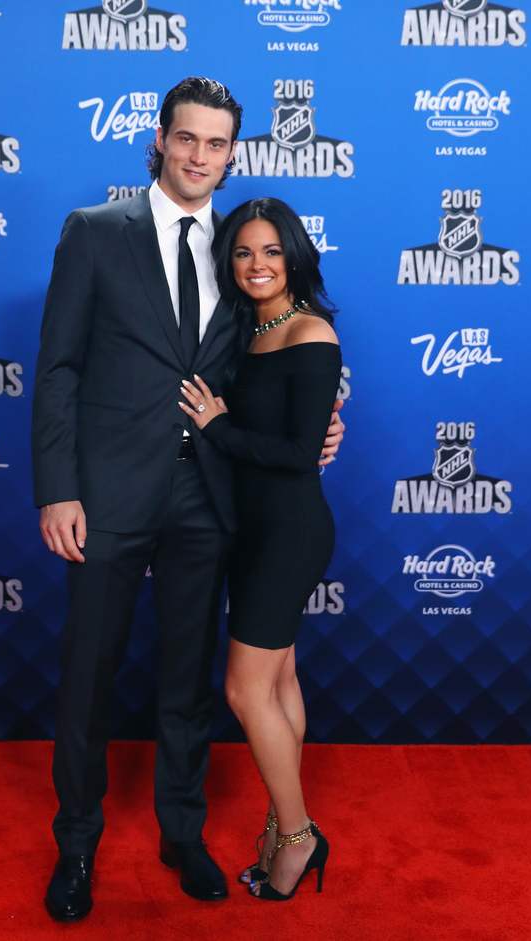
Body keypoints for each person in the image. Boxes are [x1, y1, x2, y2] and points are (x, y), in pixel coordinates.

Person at [31, 77, 345, 921]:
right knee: (88, 674)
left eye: (217, 145)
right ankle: (78, 843)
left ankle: (182, 831)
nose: (200, 157)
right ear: (160, 138)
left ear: (232, 152)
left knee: (188, 680)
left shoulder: (239, 248)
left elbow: (269, 369)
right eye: (187, 139)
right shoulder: (96, 233)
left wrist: (322, 424)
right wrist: (57, 488)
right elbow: (58, 368)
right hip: (107, 495)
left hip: (209, 497)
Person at [178, 197, 341, 901]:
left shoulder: (311, 332)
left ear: (295, 255)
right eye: (243, 252)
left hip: (291, 530)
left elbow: (303, 451)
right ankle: (278, 828)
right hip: (251, 528)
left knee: (246, 689)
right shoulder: (246, 330)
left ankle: (300, 836)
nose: (256, 265)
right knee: (277, 683)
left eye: (271, 251)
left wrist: (215, 426)